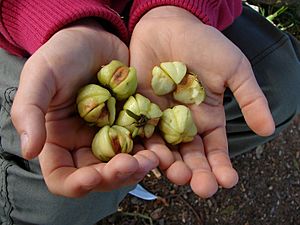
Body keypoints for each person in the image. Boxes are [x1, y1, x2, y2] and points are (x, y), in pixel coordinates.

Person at [0, 0, 299, 224]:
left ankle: (136, 172)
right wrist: (59, 19)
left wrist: (176, 8)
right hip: (31, 27)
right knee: (59, 204)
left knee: (281, 84)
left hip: (177, 12)